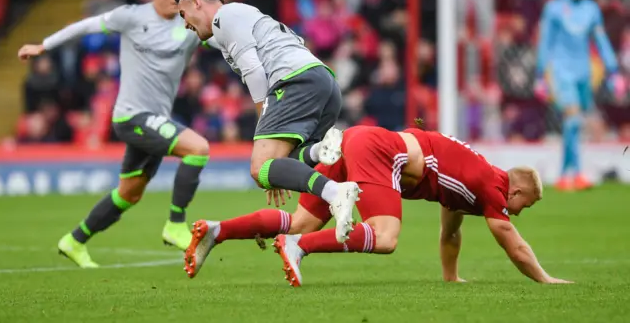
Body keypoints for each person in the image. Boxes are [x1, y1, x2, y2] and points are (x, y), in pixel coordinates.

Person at [183, 125, 572, 285]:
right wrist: (546, 279)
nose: (518, 212)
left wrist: (451, 278)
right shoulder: (492, 186)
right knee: (386, 238)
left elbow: (450, 231)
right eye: (525, 205)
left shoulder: (474, 184)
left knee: (302, 221)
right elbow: (512, 242)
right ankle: (297, 248)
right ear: (517, 193)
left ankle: (218, 230)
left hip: (360, 139)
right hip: (380, 149)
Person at [17, 0, 212, 268]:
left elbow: (224, 36)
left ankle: (74, 241)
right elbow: (84, 26)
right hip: (131, 116)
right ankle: (175, 224)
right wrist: (44, 46)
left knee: (128, 194)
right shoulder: (131, 17)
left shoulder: (190, 25)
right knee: (198, 148)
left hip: (155, 121)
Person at [175, 0, 361, 243]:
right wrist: (275, 170)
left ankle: (335, 193)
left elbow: (253, 68)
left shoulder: (224, 17)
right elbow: (208, 41)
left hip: (293, 80)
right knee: (272, 167)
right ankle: (321, 150)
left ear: (196, 2)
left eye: (183, 14)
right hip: (323, 82)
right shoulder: (240, 20)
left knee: (259, 168)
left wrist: (264, 127)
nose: (184, 24)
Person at [536, 0, 622, 191]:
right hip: (561, 71)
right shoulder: (554, 8)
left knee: (573, 124)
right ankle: (575, 173)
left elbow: (600, 40)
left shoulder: (591, 10)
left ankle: (566, 173)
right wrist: (540, 74)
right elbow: (546, 41)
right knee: (573, 119)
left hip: (584, 73)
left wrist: (613, 70)